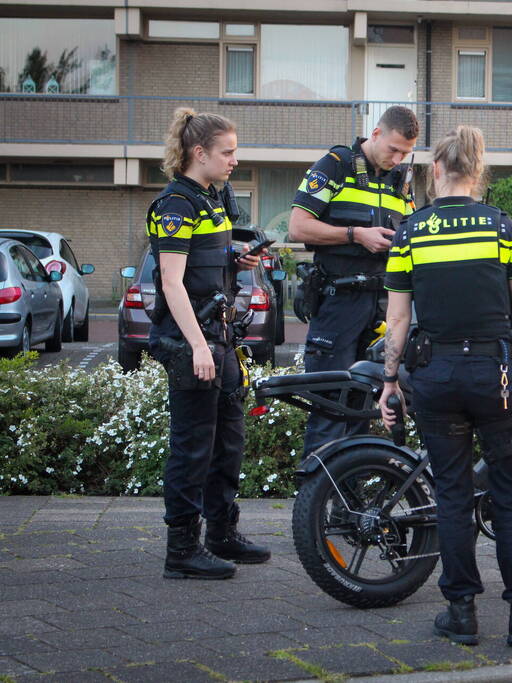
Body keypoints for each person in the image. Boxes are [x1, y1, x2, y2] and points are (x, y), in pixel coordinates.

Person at [378, 126, 512, 649]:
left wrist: (390, 381)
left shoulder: (410, 233)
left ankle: (460, 613)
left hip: (436, 378)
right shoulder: (500, 227)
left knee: (452, 495)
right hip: (498, 379)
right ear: (477, 172)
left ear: (436, 170)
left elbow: (398, 320)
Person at [148, 107, 271, 579]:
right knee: (193, 446)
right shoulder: (175, 205)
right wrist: (198, 346)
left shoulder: (211, 199)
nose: (234, 160)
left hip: (220, 336)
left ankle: (221, 533)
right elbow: (172, 282)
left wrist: (237, 261)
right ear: (199, 153)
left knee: (227, 442)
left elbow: (205, 264)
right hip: (192, 340)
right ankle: (181, 551)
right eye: (228, 152)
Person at [288, 106, 418, 455]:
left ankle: (351, 490)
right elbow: (297, 227)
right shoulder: (335, 165)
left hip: (380, 307)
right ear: (375, 134)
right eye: (393, 149)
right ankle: (316, 490)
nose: (398, 159)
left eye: (405, 153)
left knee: (362, 411)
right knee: (330, 410)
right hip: (338, 302)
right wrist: (356, 235)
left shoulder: (400, 180)